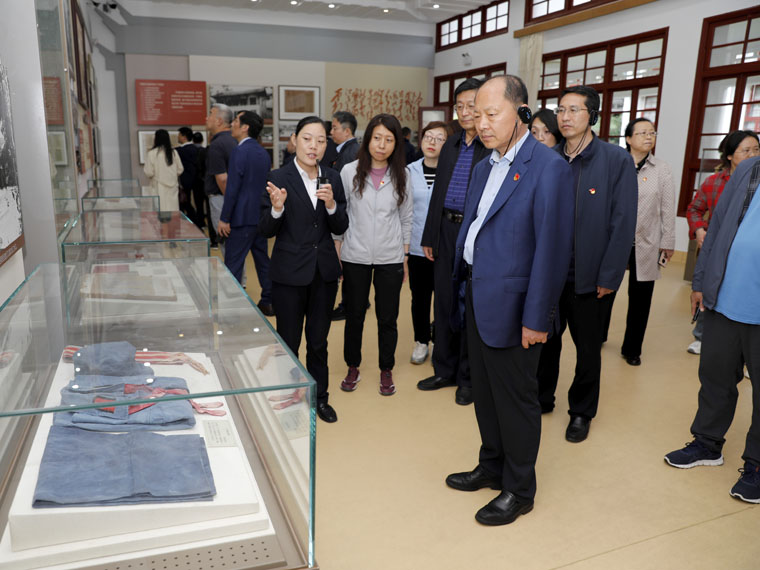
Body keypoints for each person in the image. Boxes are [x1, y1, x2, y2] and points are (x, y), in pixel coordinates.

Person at [445, 75, 574, 525]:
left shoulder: (548, 167)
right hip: (478, 295)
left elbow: (552, 251)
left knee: (516, 400)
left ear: (520, 112)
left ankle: (519, 489)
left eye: (491, 114)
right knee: (484, 393)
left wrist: (537, 318)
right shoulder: (486, 164)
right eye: (474, 114)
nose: (480, 123)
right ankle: (492, 465)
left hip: (518, 308)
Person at [536, 85, 637, 443]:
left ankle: (581, 411)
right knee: (545, 340)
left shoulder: (615, 160)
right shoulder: (547, 158)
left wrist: (609, 275)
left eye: (574, 110)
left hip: (590, 276)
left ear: (592, 116)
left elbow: (623, 222)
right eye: (561, 110)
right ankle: (541, 397)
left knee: (588, 349)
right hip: (549, 273)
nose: (565, 117)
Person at [664, 155, 760, 504]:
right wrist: (701, 281)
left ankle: (757, 464)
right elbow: (717, 227)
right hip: (725, 299)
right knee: (715, 377)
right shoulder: (750, 169)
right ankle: (707, 443)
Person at [259, 116, 348, 423]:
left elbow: (341, 224)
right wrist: (277, 208)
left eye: (321, 140)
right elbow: (265, 229)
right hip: (288, 273)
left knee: (319, 342)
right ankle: (288, 395)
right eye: (308, 139)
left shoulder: (332, 177)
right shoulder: (278, 177)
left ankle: (319, 397)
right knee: (288, 341)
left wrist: (332, 205)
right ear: (295, 140)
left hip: (323, 272)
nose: (314, 146)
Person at [418, 77, 490, 406]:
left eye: (471, 105)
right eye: (459, 106)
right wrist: (430, 235)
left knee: (469, 304)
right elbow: (438, 194)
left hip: (474, 233)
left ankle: (468, 377)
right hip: (445, 230)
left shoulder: (491, 146)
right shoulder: (451, 144)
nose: (465, 111)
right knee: (444, 301)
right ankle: (444, 369)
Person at [336, 113, 412, 397]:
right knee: (354, 315)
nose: (381, 145)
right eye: (377, 138)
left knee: (387, 318)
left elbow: (407, 217)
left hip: (390, 256)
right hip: (355, 255)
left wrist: (404, 254)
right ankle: (352, 366)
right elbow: (340, 213)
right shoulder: (349, 171)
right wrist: (338, 249)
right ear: (367, 139)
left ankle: (386, 368)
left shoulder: (403, 175)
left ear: (396, 144)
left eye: (388, 140)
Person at [685, 130, 760, 355]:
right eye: (745, 150)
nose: (752, 155)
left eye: (756, 150)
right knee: (711, 290)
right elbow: (695, 209)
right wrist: (699, 229)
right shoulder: (714, 182)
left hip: (743, 259)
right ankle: (701, 336)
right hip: (715, 245)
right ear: (729, 155)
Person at [615, 118, 675, 366]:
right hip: (614, 241)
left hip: (646, 241)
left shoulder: (662, 169)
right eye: (642, 133)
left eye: (652, 133)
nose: (649, 137)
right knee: (604, 293)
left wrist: (668, 241)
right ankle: (597, 335)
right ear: (628, 138)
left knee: (641, 300)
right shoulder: (616, 163)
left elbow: (668, 208)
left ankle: (632, 349)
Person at [217, 110, 274, 316]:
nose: (232, 124)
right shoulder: (262, 153)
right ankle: (268, 301)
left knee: (233, 263)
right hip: (259, 215)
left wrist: (224, 218)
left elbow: (233, 188)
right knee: (262, 260)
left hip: (241, 218)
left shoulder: (239, 152)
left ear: (245, 127)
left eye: (235, 121)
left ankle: (230, 308)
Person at [407, 121, 452, 365]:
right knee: (420, 297)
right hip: (416, 246)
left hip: (443, 246)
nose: (432, 142)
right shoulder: (409, 171)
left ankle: (442, 341)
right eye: (428, 137)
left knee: (444, 297)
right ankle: (422, 340)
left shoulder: (452, 172)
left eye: (439, 138)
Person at [205, 103, 237, 254]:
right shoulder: (233, 140)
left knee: (227, 244)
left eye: (210, 114)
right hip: (231, 198)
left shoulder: (217, 144)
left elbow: (223, 179)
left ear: (219, 121)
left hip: (222, 199)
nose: (206, 118)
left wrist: (228, 210)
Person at [143, 129, 183, 211]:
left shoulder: (152, 153)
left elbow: (149, 172)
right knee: (172, 210)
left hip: (158, 187)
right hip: (173, 187)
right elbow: (180, 169)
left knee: (160, 210)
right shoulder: (174, 152)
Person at [193, 131, 217, 246]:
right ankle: (216, 239)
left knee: (210, 211)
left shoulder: (205, 151)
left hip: (206, 184)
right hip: (215, 187)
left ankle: (214, 240)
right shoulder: (207, 151)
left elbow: (199, 167)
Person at [176, 126, 198, 221]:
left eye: (179, 135)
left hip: (185, 181)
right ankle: (196, 222)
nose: (178, 137)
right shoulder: (196, 149)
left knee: (185, 202)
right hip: (196, 180)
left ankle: (192, 221)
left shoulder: (179, 151)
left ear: (184, 137)